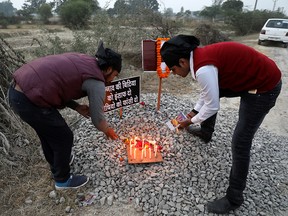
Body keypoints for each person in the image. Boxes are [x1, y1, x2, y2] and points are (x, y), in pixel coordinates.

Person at [160, 35, 282, 214]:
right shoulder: (199, 60)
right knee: (212, 97)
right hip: (249, 79)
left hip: (264, 87)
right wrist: (194, 111)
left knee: (240, 143)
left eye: (173, 69)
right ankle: (206, 132)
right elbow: (207, 92)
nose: (173, 73)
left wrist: (190, 121)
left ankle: (234, 198)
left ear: (182, 61)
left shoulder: (203, 69)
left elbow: (212, 105)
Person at [8, 42, 121, 190]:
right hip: (29, 98)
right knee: (63, 136)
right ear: (109, 69)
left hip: (19, 91)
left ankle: (58, 163)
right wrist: (107, 130)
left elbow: (58, 84)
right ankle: (62, 180)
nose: (113, 79)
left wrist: (77, 107)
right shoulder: (96, 81)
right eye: (115, 75)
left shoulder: (86, 61)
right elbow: (98, 119)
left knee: (48, 132)